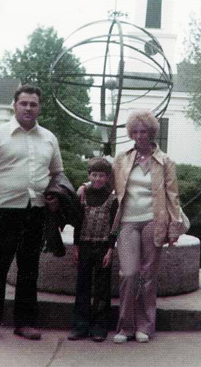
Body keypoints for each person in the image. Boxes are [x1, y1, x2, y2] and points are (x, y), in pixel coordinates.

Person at [0, 84, 64, 343]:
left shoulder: (49, 138)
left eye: (33, 104)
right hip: (3, 211)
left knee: (29, 270)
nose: (28, 108)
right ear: (14, 105)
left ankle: (25, 323)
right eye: (23, 103)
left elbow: (57, 174)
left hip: (35, 212)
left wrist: (55, 198)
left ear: (39, 107)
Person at [112, 109, 184, 344]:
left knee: (148, 276)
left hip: (154, 220)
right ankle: (125, 327)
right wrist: (87, 188)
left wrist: (174, 229)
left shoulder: (165, 161)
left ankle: (145, 326)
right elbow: (113, 187)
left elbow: (173, 197)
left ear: (152, 133)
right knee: (129, 273)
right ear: (131, 133)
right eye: (136, 131)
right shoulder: (122, 158)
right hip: (127, 222)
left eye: (145, 131)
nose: (140, 135)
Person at [68, 157, 118, 342]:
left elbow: (114, 227)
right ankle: (79, 325)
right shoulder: (82, 196)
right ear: (89, 175)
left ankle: (99, 326)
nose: (97, 179)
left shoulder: (112, 199)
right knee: (82, 285)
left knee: (102, 288)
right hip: (85, 245)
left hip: (103, 246)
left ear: (107, 177)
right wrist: (76, 247)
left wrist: (110, 250)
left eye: (102, 176)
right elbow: (77, 223)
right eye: (94, 175)